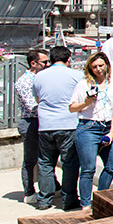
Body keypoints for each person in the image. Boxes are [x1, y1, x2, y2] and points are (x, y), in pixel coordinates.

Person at [32, 46, 82, 211]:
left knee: (46, 163)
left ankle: (44, 200)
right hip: (68, 124)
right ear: (69, 59)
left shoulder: (39, 76)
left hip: (45, 125)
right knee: (69, 163)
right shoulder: (76, 75)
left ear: (51, 59)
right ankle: (69, 200)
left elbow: (38, 98)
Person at [68, 52, 113, 209]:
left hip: (106, 126)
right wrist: (86, 102)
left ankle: (100, 197)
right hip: (88, 126)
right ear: (90, 68)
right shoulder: (84, 84)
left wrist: (111, 132)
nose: (98, 69)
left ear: (107, 66)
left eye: (101, 66)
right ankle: (85, 204)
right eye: (95, 67)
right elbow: (71, 107)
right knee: (88, 168)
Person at [15, 49, 49, 204]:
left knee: (46, 157)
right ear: (33, 63)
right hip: (31, 121)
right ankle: (29, 192)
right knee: (30, 159)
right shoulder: (24, 82)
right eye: (44, 62)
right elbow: (32, 106)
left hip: (44, 120)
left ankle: (51, 186)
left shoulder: (42, 78)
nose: (48, 65)